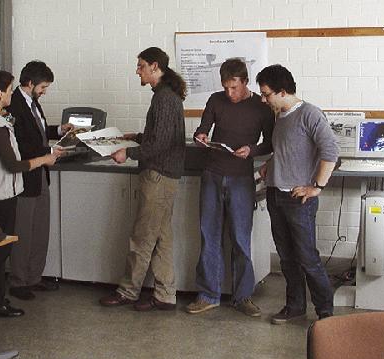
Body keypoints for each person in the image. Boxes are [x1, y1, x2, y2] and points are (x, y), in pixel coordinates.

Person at [0, 70, 62, 317]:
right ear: (0, 94)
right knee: (0, 252)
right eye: (9, 90)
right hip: (2, 195)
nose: (11, 94)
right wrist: (44, 159)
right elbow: (14, 165)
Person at [99, 47, 186, 311]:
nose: (137, 70)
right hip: (166, 176)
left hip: (157, 177)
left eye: (140, 66)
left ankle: (128, 291)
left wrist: (128, 152)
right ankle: (165, 294)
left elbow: (159, 143)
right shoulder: (167, 96)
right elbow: (161, 136)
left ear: (154, 67)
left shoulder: (164, 98)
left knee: (142, 238)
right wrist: (136, 136)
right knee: (161, 237)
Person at [186, 58, 274, 316]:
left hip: (241, 178)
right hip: (212, 174)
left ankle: (243, 296)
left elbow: (270, 143)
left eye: (234, 87)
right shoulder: (215, 100)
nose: (229, 93)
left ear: (245, 82)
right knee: (209, 235)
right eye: (225, 87)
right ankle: (208, 294)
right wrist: (200, 136)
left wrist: (252, 150)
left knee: (240, 239)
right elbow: (203, 129)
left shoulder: (262, 107)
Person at [255, 64, 338, 324]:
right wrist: (271, 164)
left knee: (307, 258)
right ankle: (295, 306)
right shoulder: (280, 115)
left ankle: (325, 313)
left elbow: (330, 152)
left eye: (266, 94)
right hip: (275, 194)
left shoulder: (311, 114)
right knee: (287, 258)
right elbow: (286, 149)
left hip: (298, 200)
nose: (263, 99)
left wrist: (317, 187)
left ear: (282, 91)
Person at [7, 61, 73, 301]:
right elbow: (20, 144)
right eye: (43, 86)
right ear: (30, 83)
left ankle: (34, 276)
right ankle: (18, 280)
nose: (45, 91)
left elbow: (39, 131)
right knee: (24, 230)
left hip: (41, 174)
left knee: (40, 228)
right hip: (26, 176)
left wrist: (58, 130)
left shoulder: (33, 103)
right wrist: (48, 153)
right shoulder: (13, 106)